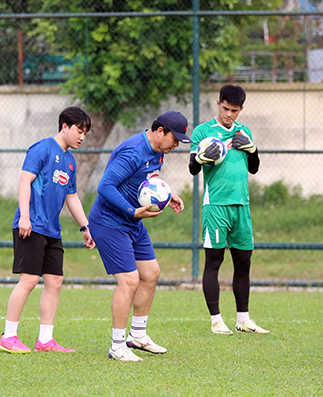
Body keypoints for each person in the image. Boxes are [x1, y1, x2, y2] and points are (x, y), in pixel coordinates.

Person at [88, 111, 189, 361]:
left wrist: (167, 194)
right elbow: (105, 186)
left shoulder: (158, 152)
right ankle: (117, 346)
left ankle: (138, 336)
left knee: (151, 273)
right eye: (174, 139)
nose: (176, 144)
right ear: (159, 131)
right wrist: (132, 211)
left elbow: (148, 179)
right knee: (130, 281)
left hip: (133, 221)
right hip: (110, 222)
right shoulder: (133, 151)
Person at [0, 106, 95, 354]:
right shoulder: (41, 148)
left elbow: (72, 197)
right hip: (32, 225)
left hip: (53, 230)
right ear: (65, 126)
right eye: (79, 130)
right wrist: (25, 217)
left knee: (55, 281)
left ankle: (45, 340)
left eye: (85, 133)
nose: (82, 136)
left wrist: (85, 226)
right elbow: (24, 181)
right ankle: (8, 336)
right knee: (29, 280)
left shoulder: (70, 161)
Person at [188, 84, 268, 335]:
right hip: (216, 207)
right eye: (226, 108)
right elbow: (193, 168)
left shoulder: (244, 131)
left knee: (244, 262)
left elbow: (253, 168)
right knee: (214, 260)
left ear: (241, 108)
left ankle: (243, 320)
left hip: (241, 205)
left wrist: (252, 149)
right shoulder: (203, 132)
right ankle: (216, 321)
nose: (229, 114)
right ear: (218, 103)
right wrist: (200, 158)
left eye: (234, 110)